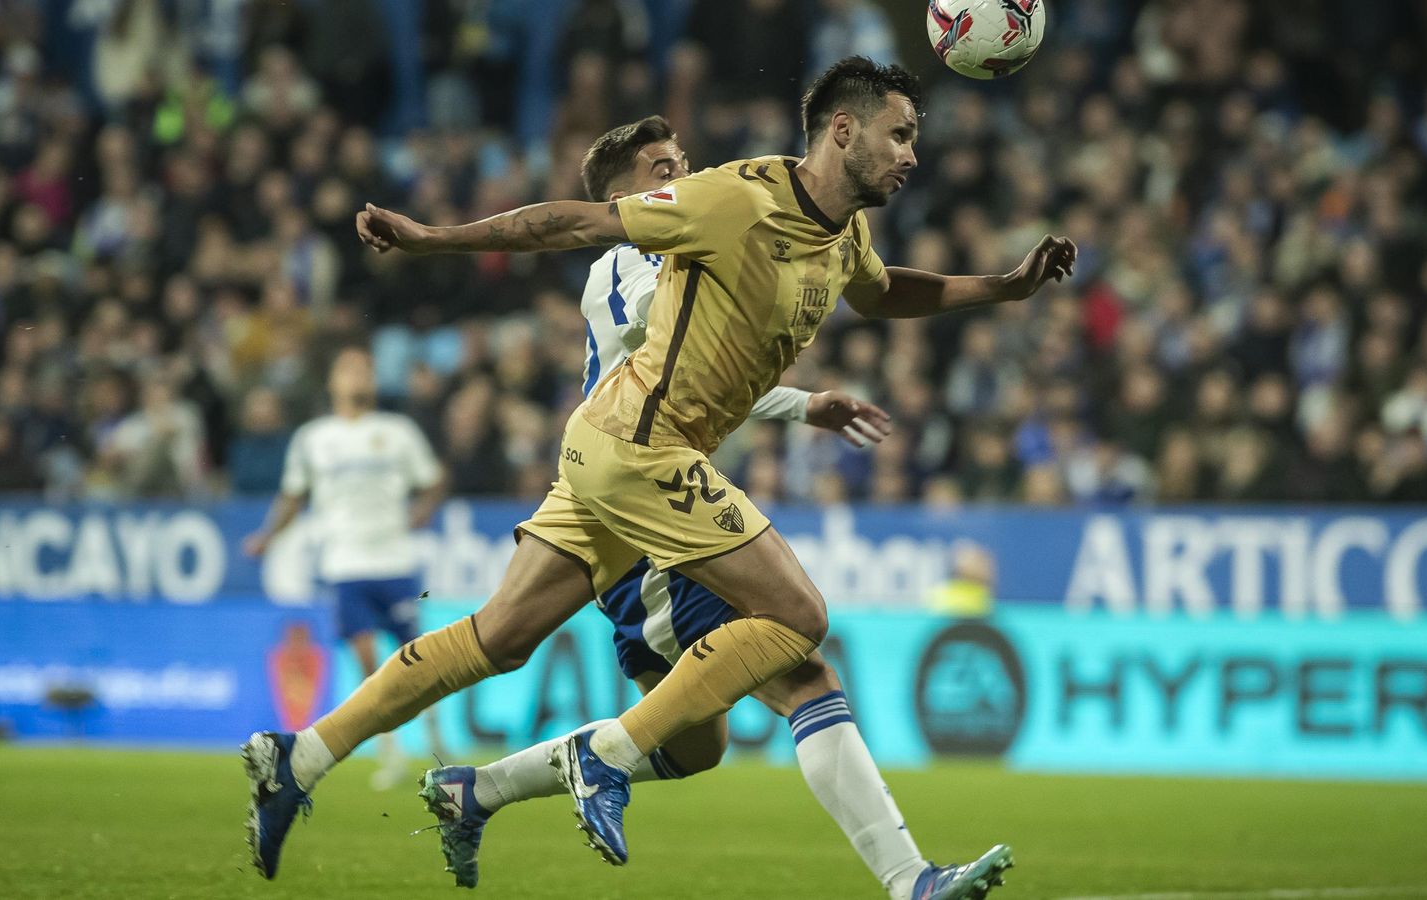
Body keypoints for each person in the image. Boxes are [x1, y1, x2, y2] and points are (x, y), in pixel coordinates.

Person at [246, 57, 1071, 896]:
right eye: (900, 134)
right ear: (844, 130)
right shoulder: (723, 204)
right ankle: (622, 765)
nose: (912, 155)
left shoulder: (840, 230)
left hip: (606, 455)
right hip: (646, 455)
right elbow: (564, 228)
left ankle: (306, 756)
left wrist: (1002, 287)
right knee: (800, 627)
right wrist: (434, 239)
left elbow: (884, 290)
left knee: (518, 650)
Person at [413, 116, 957, 900]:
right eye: (663, 168)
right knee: (802, 670)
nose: (684, 175)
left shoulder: (680, 253)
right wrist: (800, 399)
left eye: (684, 163)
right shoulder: (628, 262)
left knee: (701, 746)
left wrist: (802, 399)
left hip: (663, 502)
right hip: (646, 519)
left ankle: (478, 791)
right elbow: (673, 353)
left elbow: (721, 357)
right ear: (624, 197)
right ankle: (911, 882)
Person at [243, 347, 449, 789]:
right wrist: (266, 536)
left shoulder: (397, 432)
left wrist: (422, 511)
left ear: (373, 381)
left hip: (395, 561)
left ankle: (438, 745)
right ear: (333, 382)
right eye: (348, 369)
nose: (358, 376)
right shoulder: (314, 438)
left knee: (419, 659)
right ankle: (391, 752)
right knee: (369, 665)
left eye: (365, 369)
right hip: (346, 565)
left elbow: (433, 480)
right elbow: (293, 496)